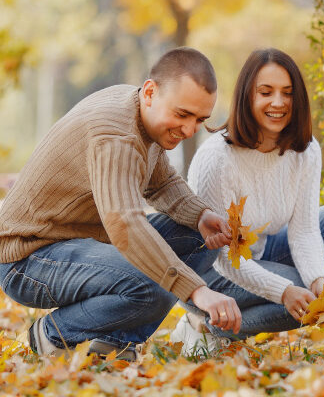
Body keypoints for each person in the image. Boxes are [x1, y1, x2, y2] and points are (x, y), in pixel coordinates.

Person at [0, 47, 241, 361]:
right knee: (152, 287)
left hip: (80, 243)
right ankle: (52, 334)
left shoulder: (139, 108)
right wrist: (197, 289)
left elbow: (163, 183)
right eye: (182, 114)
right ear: (151, 92)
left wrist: (201, 216)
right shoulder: (115, 136)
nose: (189, 129)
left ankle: (115, 343)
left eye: (200, 119)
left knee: (201, 238)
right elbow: (125, 225)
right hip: (28, 257)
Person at [172, 48, 324, 355]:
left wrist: (319, 281)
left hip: (261, 251)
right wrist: (284, 291)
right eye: (266, 92)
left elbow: (305, 231)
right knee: (301, 294)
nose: (278, 103)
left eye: (288, 93)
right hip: (207, 274)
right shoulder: (216, 159)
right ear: (247, 97)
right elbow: (223, 258)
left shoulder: (305, 151)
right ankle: (208, 323)